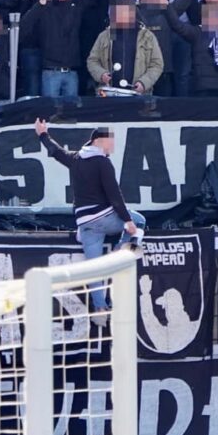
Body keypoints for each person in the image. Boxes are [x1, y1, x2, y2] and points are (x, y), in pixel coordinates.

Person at [33, 119, 142, 311]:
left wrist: (43, 134)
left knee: (93, 270)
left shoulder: (76, 159)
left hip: (84, 224)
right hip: (104, 218)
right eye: (111, 140)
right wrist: (128, 221)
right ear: (98, 140)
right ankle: (120, 254)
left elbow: (56, 152)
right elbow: (114, 195)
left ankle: (100, 308)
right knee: (140, 221)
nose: (113, 145)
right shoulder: (102, 162)